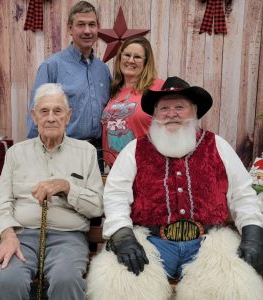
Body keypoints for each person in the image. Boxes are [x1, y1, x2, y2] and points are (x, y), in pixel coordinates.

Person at [87, 77, 263, 300]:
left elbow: (243, 194)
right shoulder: (135, 149)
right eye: (164, 108)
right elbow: (115, 196)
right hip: (150, 243)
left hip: (209, 244)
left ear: (194, 111)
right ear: (155, 114)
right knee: (117, 286)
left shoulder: (217, 146)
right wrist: (123, 236)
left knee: (236, 287)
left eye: (179, 107)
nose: (171, 113)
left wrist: (253, 234)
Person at [0, 83, 103, 300]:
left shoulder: (86, 152)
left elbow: (97, 206)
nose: (51, 117)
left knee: (66, 279)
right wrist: (7, 234)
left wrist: (67, 188)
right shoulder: (16, 153)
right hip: (22, 236)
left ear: (68, 116)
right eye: (44, 111)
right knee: (8, 280)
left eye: (58, 111)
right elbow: (0, 204)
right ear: (34, 116)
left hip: (69, 238)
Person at [26, 1, 111, 153]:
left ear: (97, 27)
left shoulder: (103, 70)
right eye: (80, 24)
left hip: (97, 153)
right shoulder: (52, 66)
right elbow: (36, 112)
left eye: (92, 24)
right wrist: (36, 154)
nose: (87, 31)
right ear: (70, 28)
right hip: (62, 151)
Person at [101, 36, 164, 166]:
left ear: (146, 62)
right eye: (127, 55)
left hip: (145, 167)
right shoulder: (114, 90)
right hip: (114, 169)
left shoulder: (157, 87)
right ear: (120, 58)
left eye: (137, 57)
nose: (131, 60)